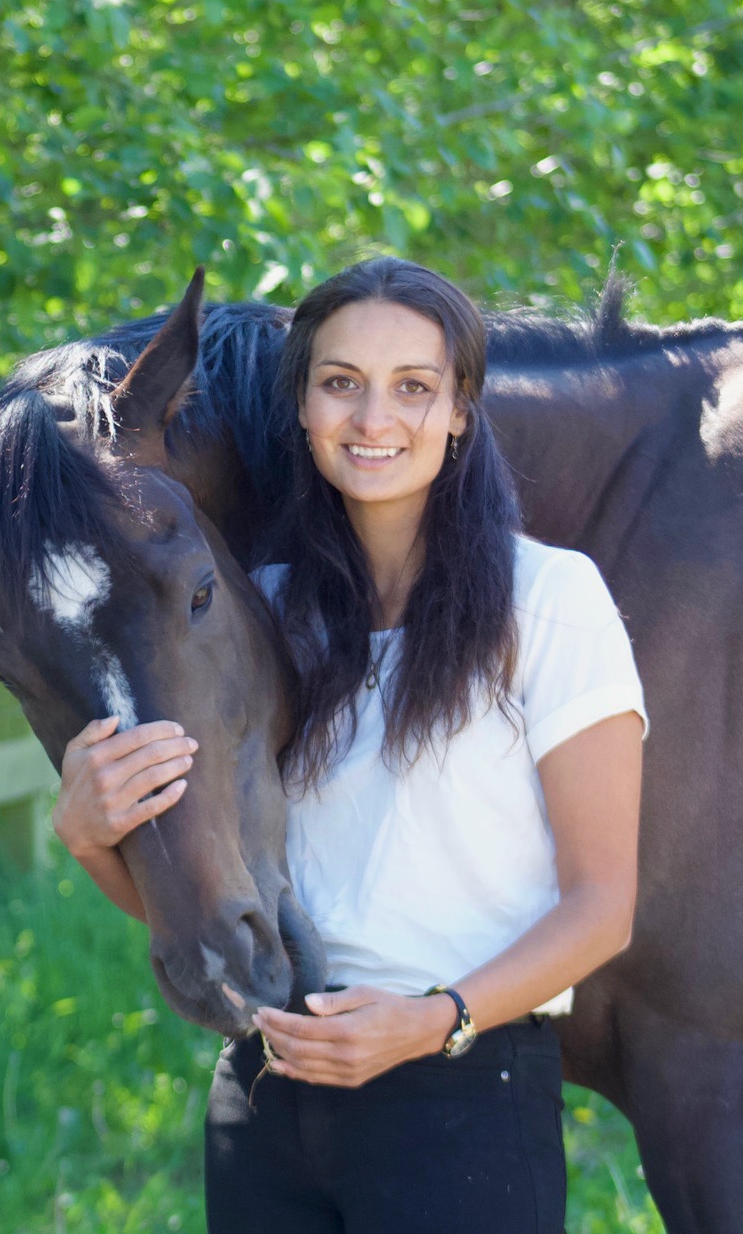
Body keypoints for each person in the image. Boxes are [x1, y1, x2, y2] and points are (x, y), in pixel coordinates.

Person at [50, 257, 646, 1232]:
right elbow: (205, 903)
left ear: (460, 409)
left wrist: (436, 1020)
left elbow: (600, 905)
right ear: (301, 405)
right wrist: (87, 834)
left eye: (413, 386)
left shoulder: (551, 601)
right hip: (263, 1091)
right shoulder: (258, 611)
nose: (374, 420)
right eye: (340, 384)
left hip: (457, 1097)